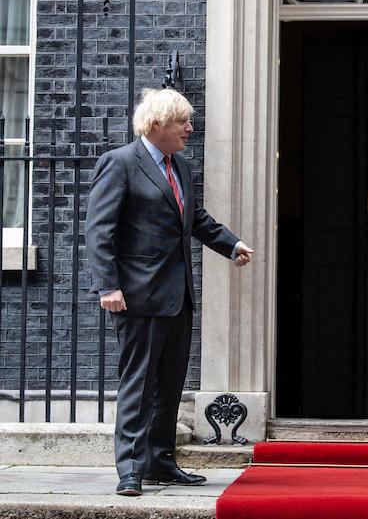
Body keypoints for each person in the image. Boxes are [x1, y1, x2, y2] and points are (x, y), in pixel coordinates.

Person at [85, 88, 254, 496]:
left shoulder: (179, 166)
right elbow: (99, 230)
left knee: (169, 383)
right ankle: (130, 468)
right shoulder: (121, 164)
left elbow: (194, 218)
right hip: (138, 297)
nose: (189, 129)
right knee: (138, 384)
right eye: (183, 122)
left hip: (178, 296)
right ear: (157, 124)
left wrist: (231, 245)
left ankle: (160, 460)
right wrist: (108, 285)